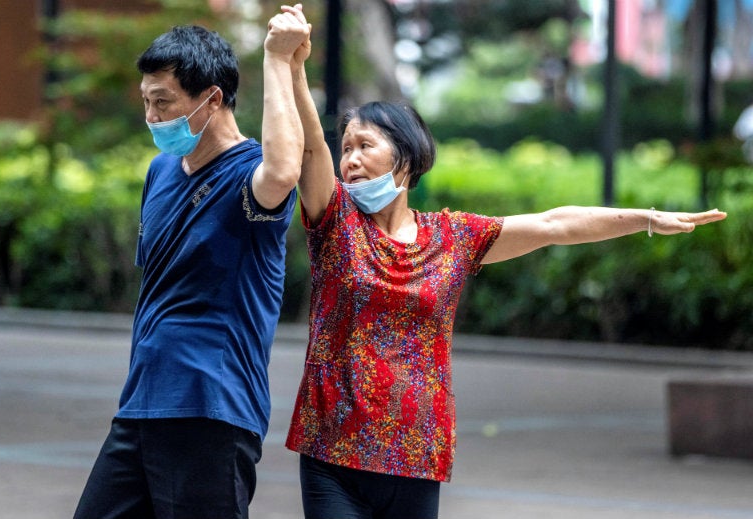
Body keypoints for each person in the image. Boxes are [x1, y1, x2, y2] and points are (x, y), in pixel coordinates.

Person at [268, 6, 728, 519]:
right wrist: (293, 65)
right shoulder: (336, 226)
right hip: (333, 451)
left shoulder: (454, 237)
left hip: (416, 453)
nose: (348, 159)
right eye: (345, 147)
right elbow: (310, 153)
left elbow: (556, 225)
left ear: (406, 156)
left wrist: (644, 217)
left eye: (363, 146)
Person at [74, 8, 310, 519]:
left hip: (211, 405)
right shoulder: (160, 171)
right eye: (146, 102)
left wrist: (277, 57)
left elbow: (286, 167)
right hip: (142, 402)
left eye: (164, 103)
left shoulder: (250, 174)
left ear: (212, 98)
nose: (153, 118)